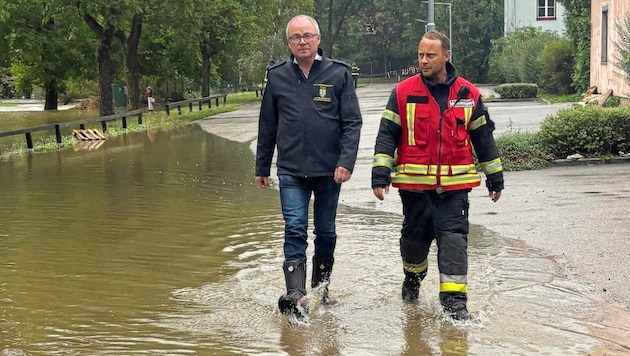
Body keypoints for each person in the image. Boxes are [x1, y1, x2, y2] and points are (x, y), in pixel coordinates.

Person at [371, 30, 503, 321]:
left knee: (454, 241)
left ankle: (455, 304)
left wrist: (495, 177)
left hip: (454, 190)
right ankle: (413, 281)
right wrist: (380, 174)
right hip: (415, 189)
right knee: (414, 243)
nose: (424, 60)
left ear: (446, 56)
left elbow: (483, 138)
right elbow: (386, 136)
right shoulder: (403, 92)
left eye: (430, 55)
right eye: (420, 55)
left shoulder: (468, 94)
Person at [255, 14, 363, 318]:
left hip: (330, 171)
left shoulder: (338, 74)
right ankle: (296, 295)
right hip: (290, 169)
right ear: (289, 43)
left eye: (307, 36)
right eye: (295, 37)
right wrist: (262, 166)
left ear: (318, 39)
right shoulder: (277, 77)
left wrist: (346, 161)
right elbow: (267, 125)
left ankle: (321, 288)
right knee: (294, 228)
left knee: (325, 232)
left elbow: (352, 123)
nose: (302, 41)